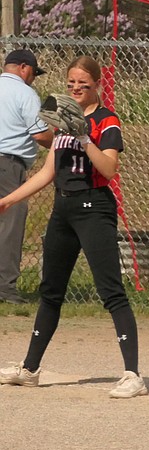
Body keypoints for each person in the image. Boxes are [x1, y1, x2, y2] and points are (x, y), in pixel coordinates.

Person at [0, 56, 148, 398]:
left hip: (94, 208)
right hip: (63, 210)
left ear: (97, 84)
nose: (76, 88)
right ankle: (30, 368)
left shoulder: (106, 121)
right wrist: (8, 200)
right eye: (71, 83)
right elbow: (47, 172)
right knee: (50, 291)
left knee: (111, 291)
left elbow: (109, 169)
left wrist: (85, 138)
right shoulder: (63, 122)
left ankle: (133, 375)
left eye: (83, 83)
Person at [0, 49, 54, 304]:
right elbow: (40, 134)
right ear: (24, 68)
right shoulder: (25, 93)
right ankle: (5, 288)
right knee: (11, 222)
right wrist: (61, 143)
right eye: (33, 73)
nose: (33, 79)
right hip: (7, 166)